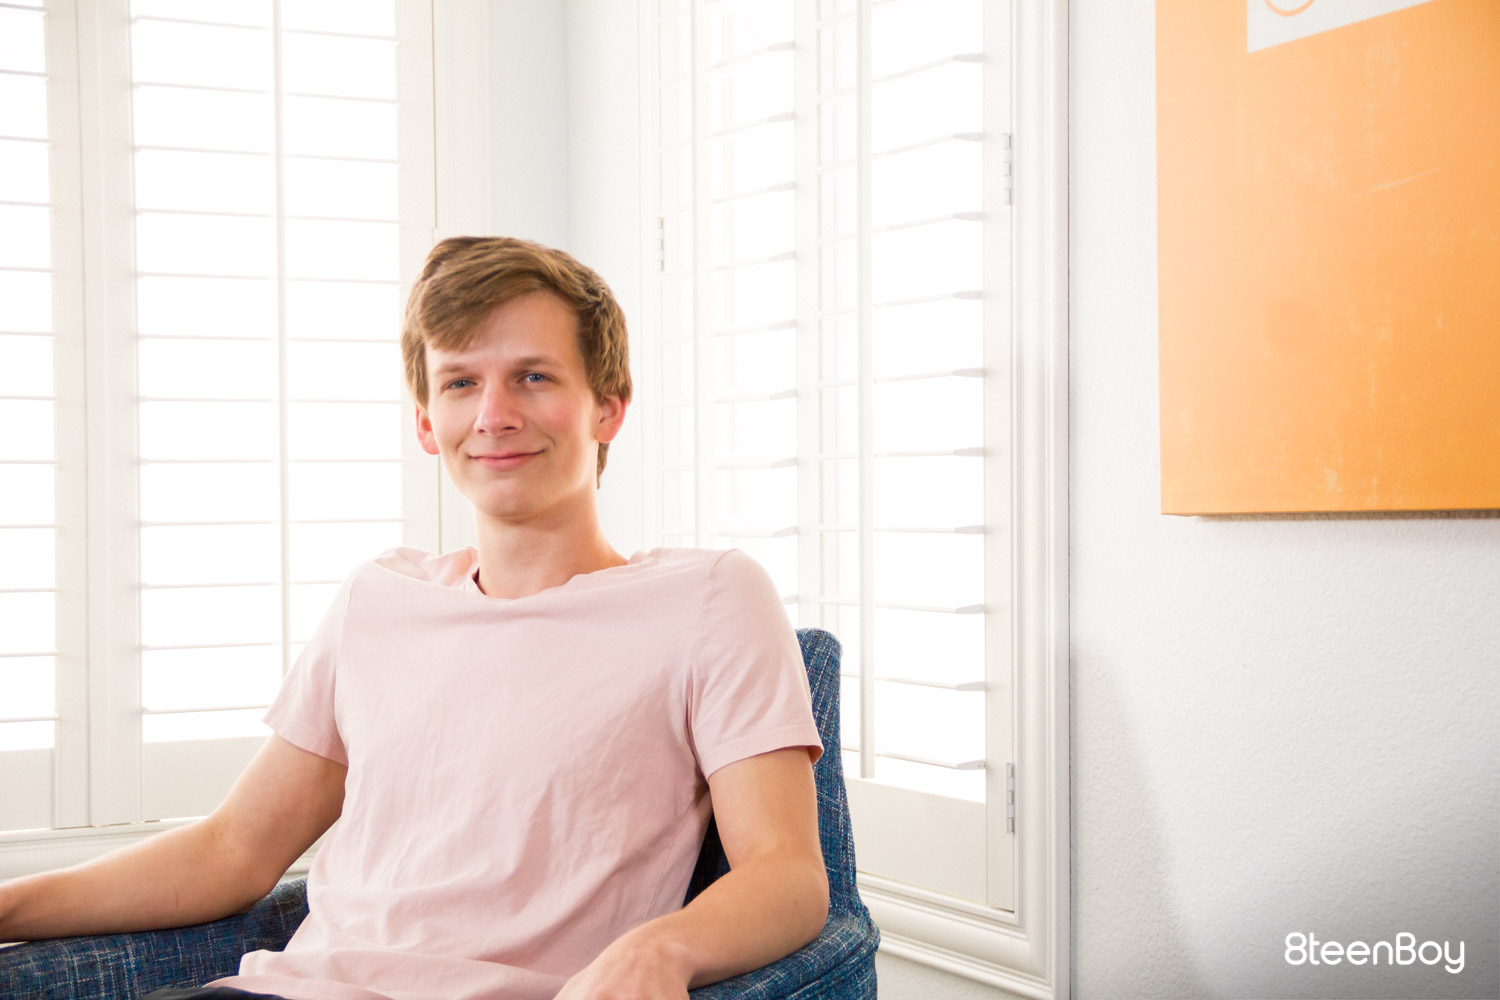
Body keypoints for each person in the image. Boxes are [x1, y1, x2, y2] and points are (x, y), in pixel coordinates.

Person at [0, 237, 829, 1000]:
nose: (494, 414)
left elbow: (786, 871)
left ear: (607, 407)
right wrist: (9, 906)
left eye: (533, 377)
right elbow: (233, 850)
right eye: (461, 383)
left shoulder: (710, 599)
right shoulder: (378, 599)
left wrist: (660, 951)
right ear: (429, 423)